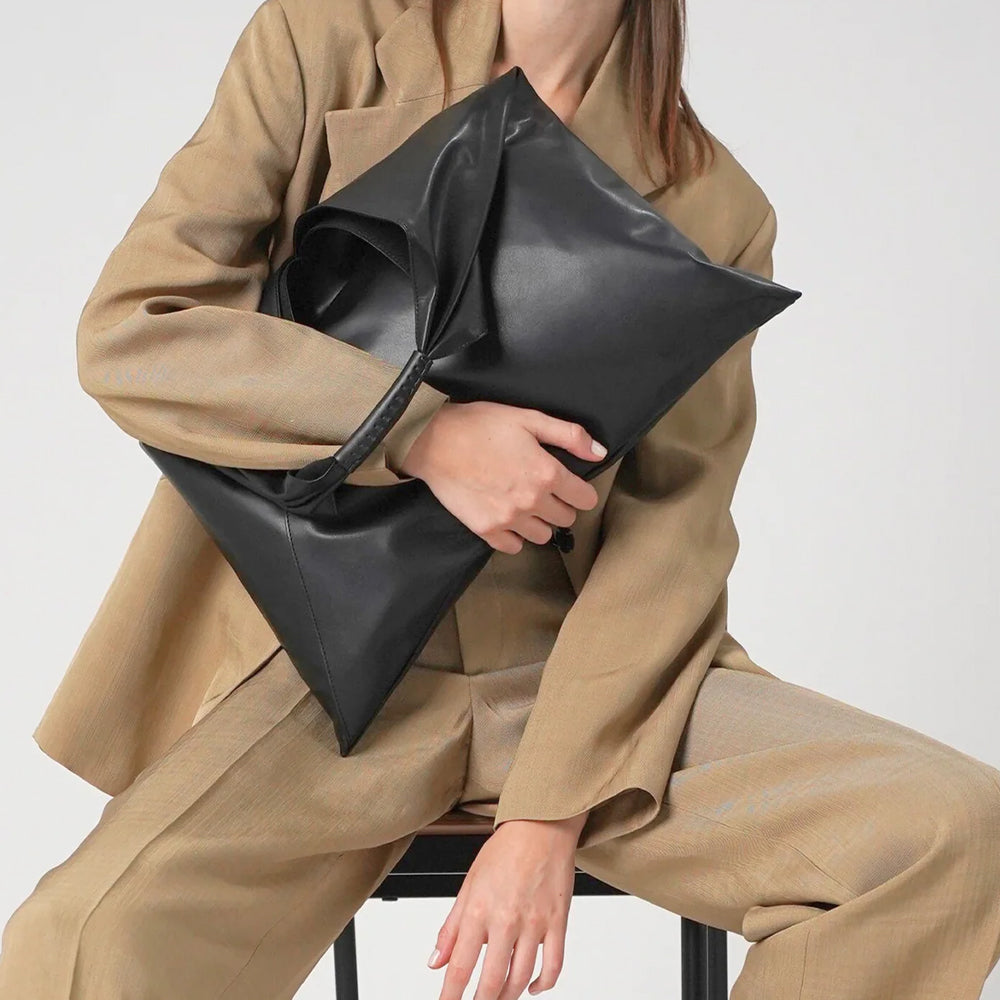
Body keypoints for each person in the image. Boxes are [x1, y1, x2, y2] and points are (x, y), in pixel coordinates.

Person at [2, 0, 999, 998]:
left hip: (581, 685)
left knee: (946, 834)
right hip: (319, 670)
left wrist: (545, 813)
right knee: (79, 943)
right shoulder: (326, 40)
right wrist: (418, 431)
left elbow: (672, 530)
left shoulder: (712, 202)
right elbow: (138, 327)